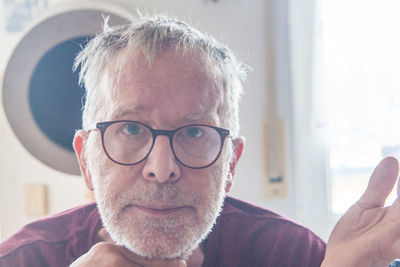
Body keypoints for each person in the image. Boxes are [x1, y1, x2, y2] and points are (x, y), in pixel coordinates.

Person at [0, 14, 399, 267]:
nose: (161, 168)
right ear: (86, 161)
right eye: (131, 129)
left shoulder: (293, 256)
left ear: (231, 163)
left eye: (194, 133)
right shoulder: (24, 260)